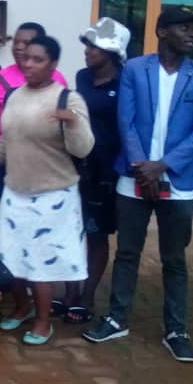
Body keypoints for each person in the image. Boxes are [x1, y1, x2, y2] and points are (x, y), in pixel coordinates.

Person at [84, 6, 193, 363]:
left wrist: (163, 165)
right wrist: (143, 167)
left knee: (174, 258)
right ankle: (117, 318)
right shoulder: (134, 69)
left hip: (178, 182)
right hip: (134, 176)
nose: (192, 33)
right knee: (127, 252)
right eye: (184, 27)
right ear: (161, 32)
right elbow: (125, 122)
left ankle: (176, 330)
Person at [0, 35, 94, 346]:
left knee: (41, 264)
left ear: (53, 64)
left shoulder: (67, 99)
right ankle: (22, 307)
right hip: (15, 192)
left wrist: (72, 122)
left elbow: (83, 148)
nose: (28, 64)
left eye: (38, 59)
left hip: (53, 196)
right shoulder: (15, 96)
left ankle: (43, 322)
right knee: (9, 258)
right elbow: (8, 139)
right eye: (26, 57)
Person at [58, 17, 130, 324]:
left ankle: (87, 297)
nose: (87, 51)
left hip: (108, 170)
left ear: (112, 51)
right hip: (77, 167)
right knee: (71, 230)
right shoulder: (82, 78)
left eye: (94, 46)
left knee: (97, 235)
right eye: (87, 45)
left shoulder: (125, 82)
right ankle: (70, 293)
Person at [0, 22, 68, 228]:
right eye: (15, 42)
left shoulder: (57, 79)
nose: (18, 47)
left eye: (25, 43)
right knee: (4, 218)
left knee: (36, 220)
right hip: (5, 159)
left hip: (41, 160)